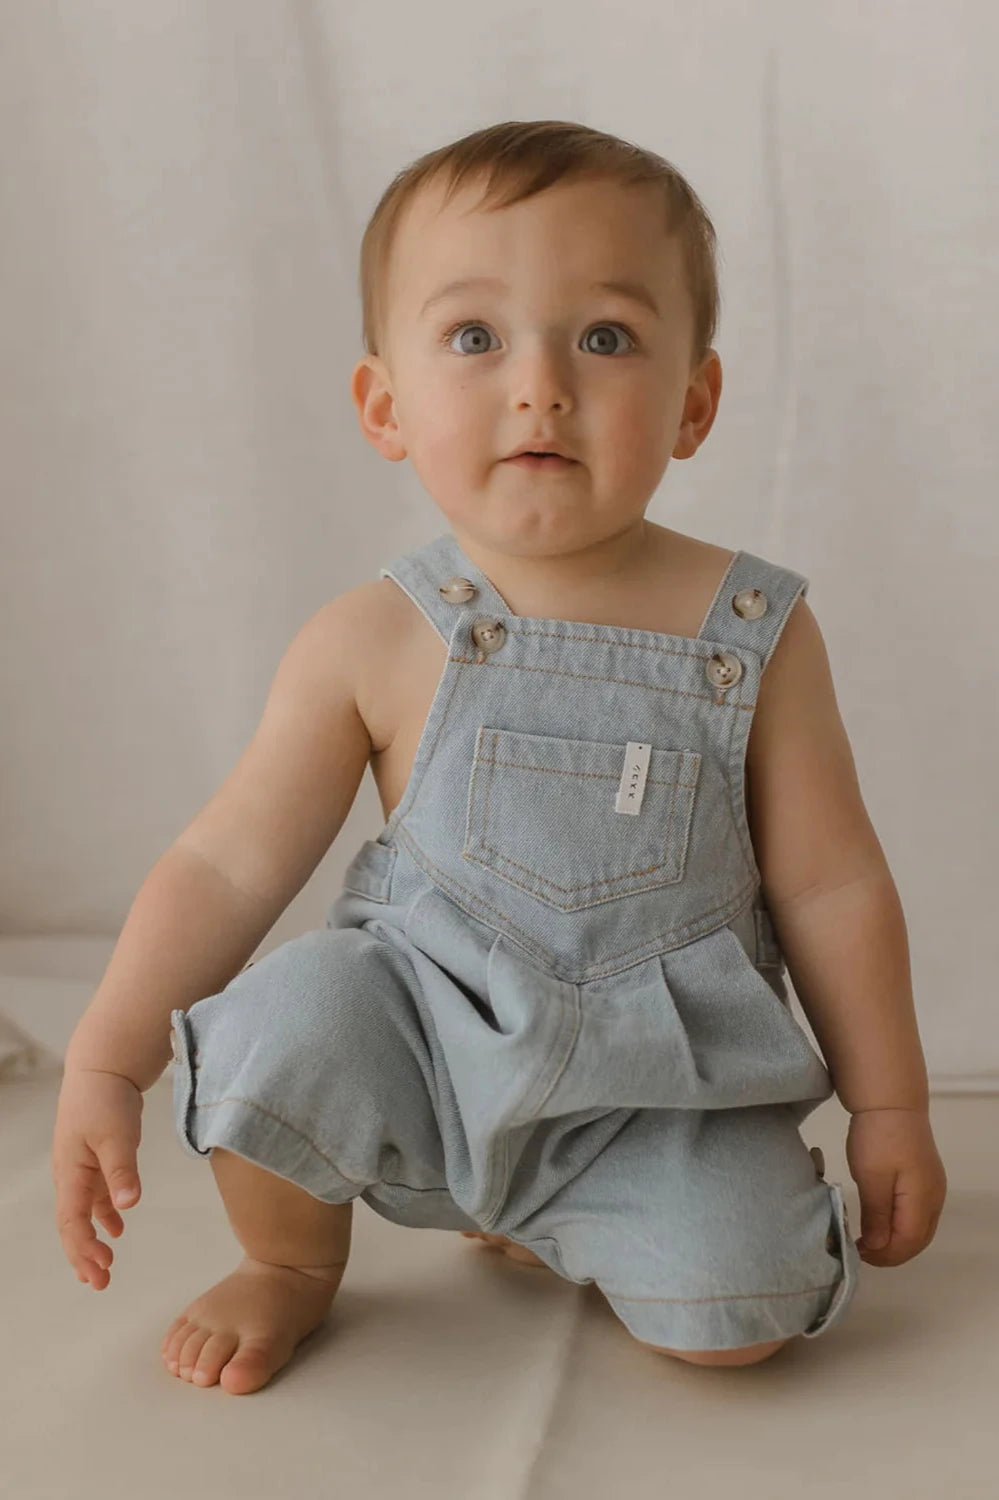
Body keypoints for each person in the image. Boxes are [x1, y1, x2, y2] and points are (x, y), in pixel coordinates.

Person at [51, 119, 947, 1396]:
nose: (542, 385)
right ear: (386, 405)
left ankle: (589, 1217)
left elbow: (833, 885)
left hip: (660, 1093)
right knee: (275, 1028)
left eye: (606, 337)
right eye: (475, 338)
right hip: (423, 1050)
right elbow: (229, 863)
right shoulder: (374, 635)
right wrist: (106, 1056)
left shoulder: (753, 634)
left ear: (695, 401)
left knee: (746, 1310)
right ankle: (296, 1265)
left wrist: (890, 1104)